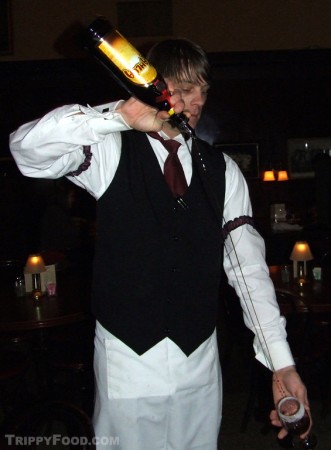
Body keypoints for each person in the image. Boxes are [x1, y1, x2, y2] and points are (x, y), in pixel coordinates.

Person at [10, 38, 311, 450]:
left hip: (199, 361)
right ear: (155, 87)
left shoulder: (223, 172)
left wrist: (282, 364)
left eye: (203, 89)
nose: (198, 100)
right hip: (127, 357)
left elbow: (250, 273)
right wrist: (117, 116)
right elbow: (26, 151)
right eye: (186, 89)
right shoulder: (110, 149)